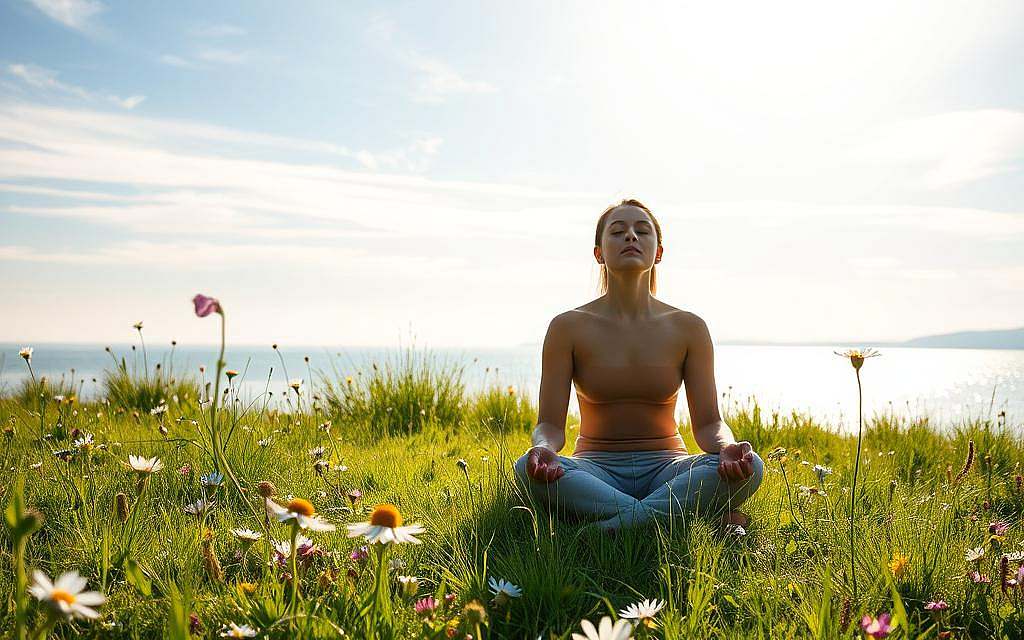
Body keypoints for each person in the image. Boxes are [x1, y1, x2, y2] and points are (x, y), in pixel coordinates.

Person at [512, 198, 764, 534]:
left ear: (658, 252)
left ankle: (605, 530)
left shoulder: (688, 327)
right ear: (599, 253)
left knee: (753, 466)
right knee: (523, 469)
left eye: (641, 231)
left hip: (668, 470)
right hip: (595, 471)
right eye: (618, 232)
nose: (631, 236)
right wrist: (542, 449)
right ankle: (677, 521)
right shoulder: (567, 327)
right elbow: (550, 426)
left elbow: (709, 424)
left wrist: (726, 447)